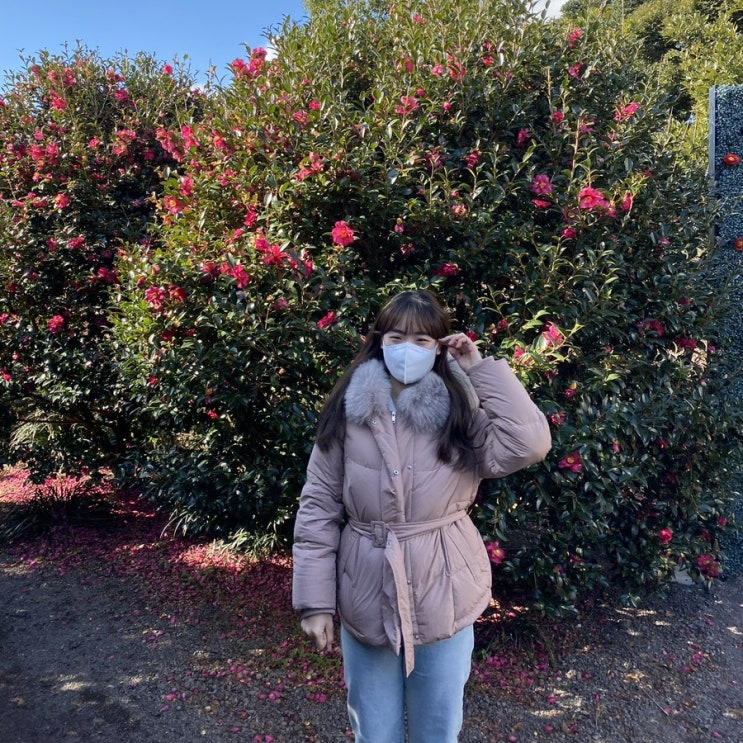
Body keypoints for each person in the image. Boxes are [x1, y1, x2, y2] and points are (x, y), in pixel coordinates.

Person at [292, 289, 552, 743]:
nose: (407, 349)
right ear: (380, 341)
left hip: (444, 588)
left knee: (438, 728)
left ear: (438, 348)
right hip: (366, 589)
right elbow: (318, 506)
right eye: (396, 337)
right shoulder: (348, 409)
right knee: (375, 730)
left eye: (422, 340)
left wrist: (478, 370)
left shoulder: (459, 408)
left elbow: (528, 446)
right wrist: (315, 603)